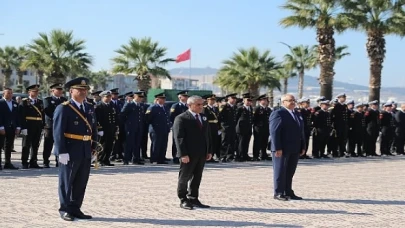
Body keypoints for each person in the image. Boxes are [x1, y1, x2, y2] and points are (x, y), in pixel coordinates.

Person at [53, 77, 97, 221]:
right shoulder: (64, 108)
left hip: (85, 149)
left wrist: (94, 147)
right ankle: (65, 209)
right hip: (70, 150)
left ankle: (75, 207)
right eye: (80, 89)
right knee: (67, 181)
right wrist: (61, 151)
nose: (84, 92)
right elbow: (58, 131)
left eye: (85, 89)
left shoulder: (89, 107)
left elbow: (93, 129)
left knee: (81, 181)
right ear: (71, 91)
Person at [173, 95, 212, 210]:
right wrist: (182, 154)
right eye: (198, 104)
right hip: (188, 154)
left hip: (201, 153)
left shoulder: (203, 117)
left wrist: (209, 150)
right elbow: (179, 138)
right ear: (190, 105)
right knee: (184, 177)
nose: (201, 107)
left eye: (202, 104)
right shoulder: (181, 118)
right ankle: (183, 199)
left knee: (197, 177)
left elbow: (207, 135)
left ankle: (193, 197)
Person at [270, 94, 305, 201]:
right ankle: (278, 192)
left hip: (295, 147)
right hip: (282, 148)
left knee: (290, 171)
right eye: (290, 100)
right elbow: (274, 132)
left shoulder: (297, 113)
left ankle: (288, 191)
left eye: (294, 100)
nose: (293, 102)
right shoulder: (278, 113)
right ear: (283, 102)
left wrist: (303, 146)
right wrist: (277, 147)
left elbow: (301, 131)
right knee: (280, 170)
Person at [19, 84, 45, 169]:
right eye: (34, 91)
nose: (36, 93)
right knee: (26, 145)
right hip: (28, 125)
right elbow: (21, 116)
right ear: (29, 92)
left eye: (37, 91)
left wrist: (43, 125)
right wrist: (23, 127)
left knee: (35, 145)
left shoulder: (40, 102)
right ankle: (24, 162)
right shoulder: (25, 102)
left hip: (38, 126)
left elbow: (42, 115)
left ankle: (33, 161)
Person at [43, 83, 67, 168]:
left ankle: (58, 161)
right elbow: (47, 111)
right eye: (58, 89)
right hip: (50, 125)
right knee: (48, 144)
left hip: (61, 126)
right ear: (52, 90)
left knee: (59, 143)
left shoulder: (64, 100)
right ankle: (46, 161)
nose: (60, 91)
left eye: (61, 90)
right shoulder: (47, 100)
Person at [120, 91, 146, 165]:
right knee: (129, 144)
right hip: (130, 128)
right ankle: (126, 159)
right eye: (139, 97)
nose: (140, 99)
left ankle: (136, 159)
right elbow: (122, 115)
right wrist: (127, 125)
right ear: (134, 96)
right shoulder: (129, 105)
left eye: (141, 97)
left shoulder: (141, 105)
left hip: (138, 127)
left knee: (137, 143)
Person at [146, 93, 171, 164]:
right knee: (156, 144)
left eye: (164, 99)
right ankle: (154, 159)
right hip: (155, 129)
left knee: (163, 144)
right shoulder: (153, 107)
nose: (163, 100)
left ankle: (161, 158)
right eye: (162, 98)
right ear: (157, 99)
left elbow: (167, 118)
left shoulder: (165, 107)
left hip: (164, 129)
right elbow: (148, 118)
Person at [95, 90, 118, 166]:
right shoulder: (99, 106)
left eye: (110, 97)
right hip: (103, 129)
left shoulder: (111, 105)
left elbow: (115, 117)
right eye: (107, 97)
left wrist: (116, 128)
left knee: (110, 145)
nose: (109, 98)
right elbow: (97, 119)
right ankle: (100, 159)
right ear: (102, 97)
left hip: (111, 129)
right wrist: (100, 129)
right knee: (103, 145)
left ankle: (106, 159)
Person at [0, 88, 21, 170]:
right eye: (8, 93)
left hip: (12, 127)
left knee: (8, 146)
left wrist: (18, 127)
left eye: (11, 93)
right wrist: (1, 126)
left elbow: (17, 116)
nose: (10, 95)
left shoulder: (15, 103)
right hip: (2, 127)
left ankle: (7, 163)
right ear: (4, 94)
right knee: (0, 145)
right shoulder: (1, 103)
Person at [170, 90, 189, 164]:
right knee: (176, 141)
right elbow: (171, 117)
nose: (186, 97)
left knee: (185, 141)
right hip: (177, 126)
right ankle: (175, 156)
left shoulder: (188, 106)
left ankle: (184, 156)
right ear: (179, 97)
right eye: (184, 96)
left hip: (186, 127)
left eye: (187, 96)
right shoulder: (176, 106)